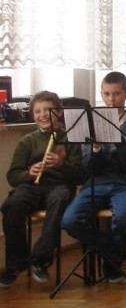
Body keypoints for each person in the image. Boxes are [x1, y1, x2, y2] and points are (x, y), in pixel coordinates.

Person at [61, 72, 126, 283]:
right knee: (69, 220)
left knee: (125, 217)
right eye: (107, 94)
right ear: (101, 95)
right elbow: (87, 169)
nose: (111, 100)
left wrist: (117, 139)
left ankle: (113, 258)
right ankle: (115, 253)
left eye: (116, 94)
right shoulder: (90, 123)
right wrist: (96, 150)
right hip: (97, 183)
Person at [1, 91, 82, 287]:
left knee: (59, 199)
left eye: (48, 110)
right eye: (38, 111)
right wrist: (29, 173)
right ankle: (15, 264)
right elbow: (13, 176)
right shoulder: (27, 141)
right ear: (33, 115)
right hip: (32, 188)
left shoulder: (71, 139)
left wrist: (61, 165)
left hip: (60, 187)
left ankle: (40, 260)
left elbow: (80, 176)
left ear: (59, 112)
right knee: (12, 204)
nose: (43, 115)